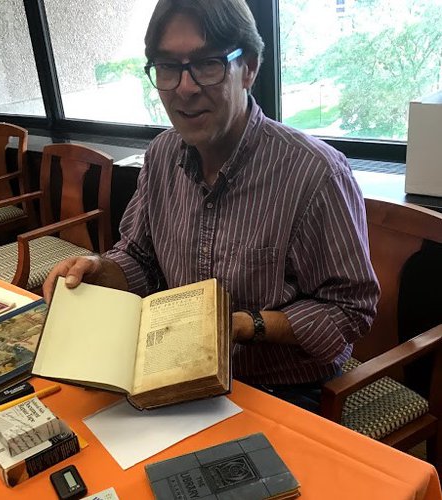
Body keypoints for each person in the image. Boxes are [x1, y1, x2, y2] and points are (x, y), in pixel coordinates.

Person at [43, 0, 380, 413]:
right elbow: (139, 257)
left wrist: (245, 325)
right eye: (168, 67)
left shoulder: (315, 173)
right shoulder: (162, 154)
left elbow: (350, 310)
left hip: (281, 388)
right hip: (174, 369)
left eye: (207, 64)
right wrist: (98, 269)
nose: (184, 87)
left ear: (249, 68)